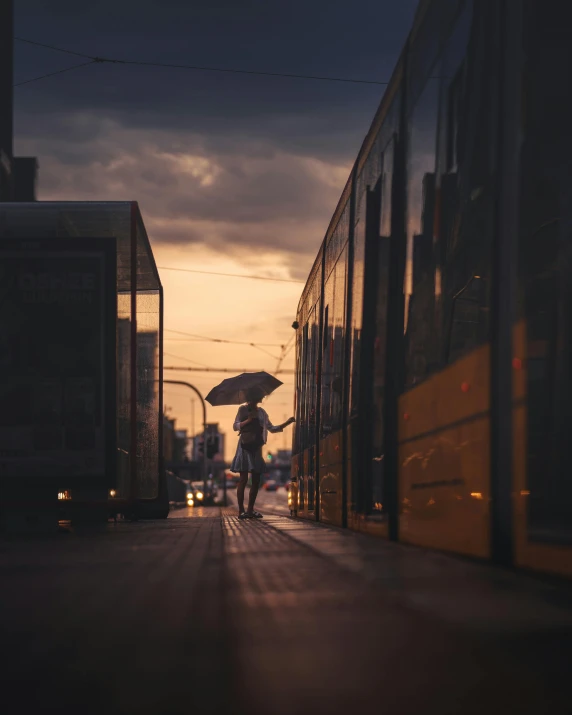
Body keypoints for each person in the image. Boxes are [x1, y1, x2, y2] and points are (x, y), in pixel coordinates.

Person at [231, 390, 294, 519]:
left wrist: (287, 423)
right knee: (243, 479)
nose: (262, 398)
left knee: (256, 480)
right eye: (260, 396)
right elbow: (235, 426)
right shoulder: (243, 410)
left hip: (257, 448)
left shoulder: (262, 413)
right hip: (244, 447)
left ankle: (250, 510)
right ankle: (241, 511)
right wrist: (248, 420)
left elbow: (271, 428)